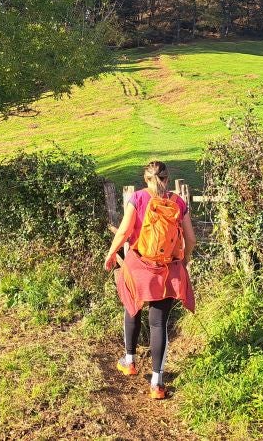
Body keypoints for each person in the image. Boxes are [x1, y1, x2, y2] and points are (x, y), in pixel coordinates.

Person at [103, 160, 196, 400]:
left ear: (145, 179)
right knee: (158, 323)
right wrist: (183, 261)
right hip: (167, 269)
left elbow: (123, 232)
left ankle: (130, 361)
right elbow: (191, 239)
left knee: (131, 309)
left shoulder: (138, 198)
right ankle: (157, 383)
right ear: (167, 177)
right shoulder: (178, 202)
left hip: (138, 265)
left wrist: (111, 253)